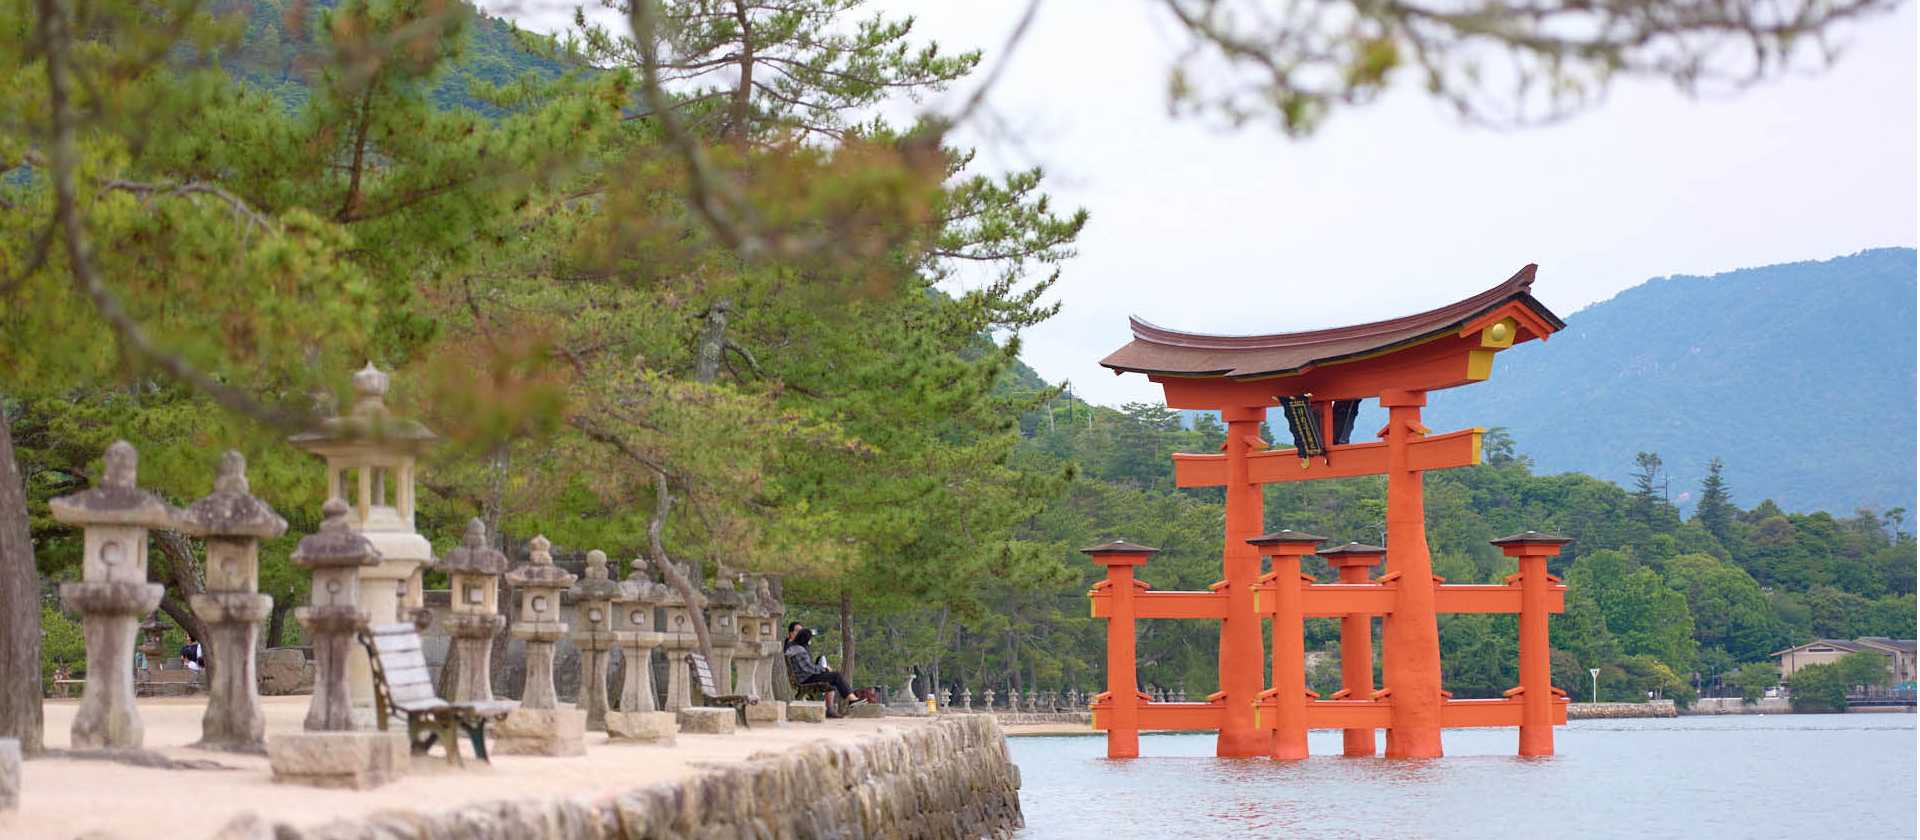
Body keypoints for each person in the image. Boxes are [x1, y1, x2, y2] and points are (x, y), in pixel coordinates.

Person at [785, 628, 860, 716]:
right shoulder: (800, 651)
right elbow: (808, 669)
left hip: (803, 677)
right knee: (836, 676)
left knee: (832, 679)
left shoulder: (793, 648)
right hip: (806, 679)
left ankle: (831, 710)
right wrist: (823, 669)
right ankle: (852, 699)